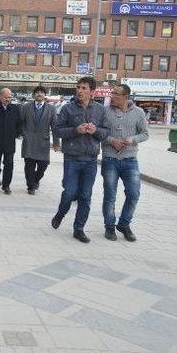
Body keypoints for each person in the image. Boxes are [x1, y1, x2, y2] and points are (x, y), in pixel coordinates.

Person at [51, 76, 109, 243]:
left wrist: (95, 131)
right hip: (72, 158)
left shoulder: (100, 110)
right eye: (78, 87)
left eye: (84, 88)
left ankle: (79, 228)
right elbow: (57, 131)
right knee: (69, 192)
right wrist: (76, 130)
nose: (80, 90)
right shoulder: (67, 109)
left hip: (91, 160)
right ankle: (61, 213)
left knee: (85, 196)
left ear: (92, 91)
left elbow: (105, 133)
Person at [101, 84, 149, 242]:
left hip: (130, 160)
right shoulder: (105, 111)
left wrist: (132, 139)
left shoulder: (139, 112)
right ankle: (109, 226)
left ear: (125, 97)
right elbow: (99, 133)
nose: (112, 96)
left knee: (134, 194)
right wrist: (111, 140)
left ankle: (124, 224)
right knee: (110, 195)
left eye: (115, 94)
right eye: (112, 93)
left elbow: (145, 134)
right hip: (110, 159)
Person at [21, 86, 60, 195]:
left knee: (43, 165)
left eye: (42, 92)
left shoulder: (51, 109)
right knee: (29, 165)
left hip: (43, 141)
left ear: (44, 95)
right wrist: (24, 133)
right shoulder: (26, 107)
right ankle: (30, 186)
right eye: (37, 92)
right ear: (34, 95)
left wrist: (56, 143)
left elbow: (55, 127)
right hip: (29, 141)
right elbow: (21, 122)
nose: (39, 94)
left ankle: (36, 180)